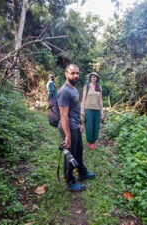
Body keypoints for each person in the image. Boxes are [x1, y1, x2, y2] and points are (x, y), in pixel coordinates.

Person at [57, 64, 95, 192]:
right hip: (68, 127)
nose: (75, 76)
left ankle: (82, 173)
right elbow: (63, 114)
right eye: (72, 73)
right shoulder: (64, 91)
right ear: (66, 74)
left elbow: (75, 108)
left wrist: (80, 122)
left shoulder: (74, 88)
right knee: (70, 155)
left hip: (75, 124)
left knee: (79, 151)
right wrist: (67, 135)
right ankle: (69, 181)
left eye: (77, 73)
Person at [81, 72, 104, 149]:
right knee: (89, 126)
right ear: (90, 78)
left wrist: (102, 112)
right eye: (92, 77)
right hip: (88, 109)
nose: (93, 78)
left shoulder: (99, 88)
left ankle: (93, 141)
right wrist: (82, 110)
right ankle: (90, 141)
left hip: (97, 110)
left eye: (95, 77)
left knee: (96, 126)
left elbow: (100, 100)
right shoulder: (87, 87)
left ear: (97, 78)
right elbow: (83, 99)